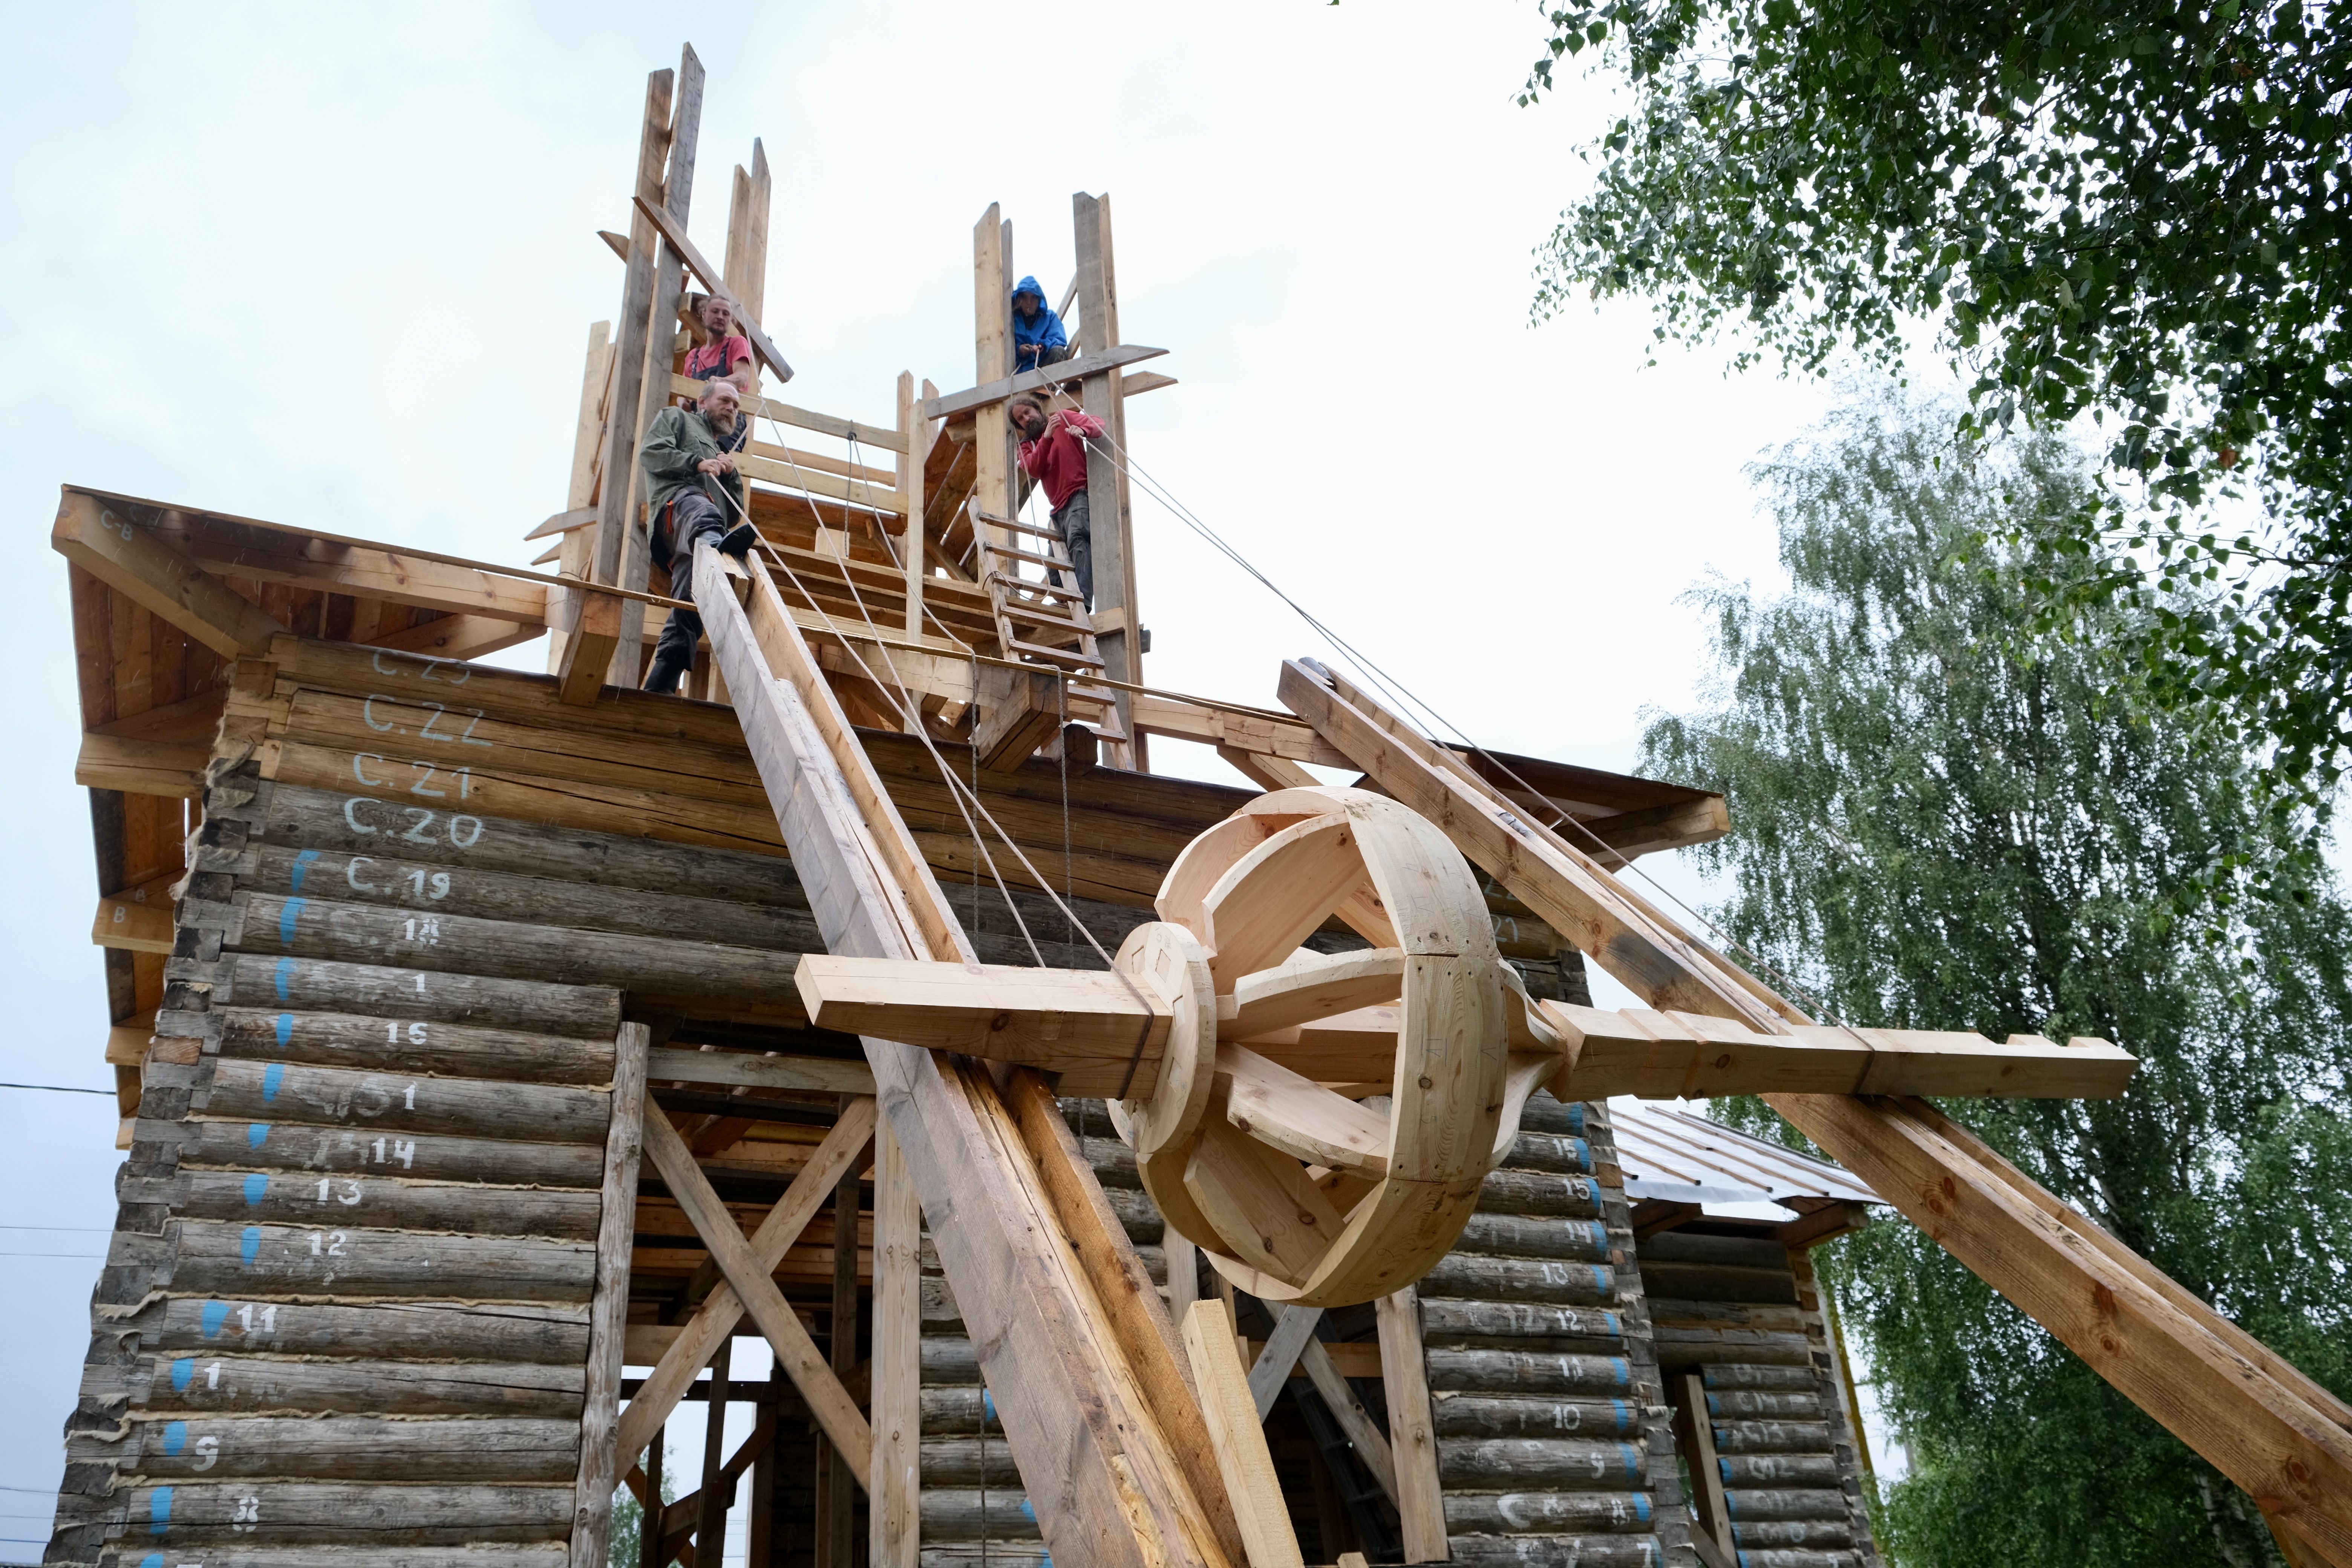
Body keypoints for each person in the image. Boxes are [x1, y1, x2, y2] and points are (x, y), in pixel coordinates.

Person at [638, 380, 759, 695]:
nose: (732, 408)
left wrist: (730, 475)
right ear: (703, 402)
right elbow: (652, 453)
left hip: (696, 534)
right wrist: (696, 462)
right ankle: (715, 549)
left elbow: (732, 513)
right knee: (702, 508)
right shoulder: (676, 419)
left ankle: (661, 682)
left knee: (692, 604)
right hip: (677, 510)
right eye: (725, 400)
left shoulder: (721, 451)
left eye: (736, 406)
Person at [1008, 394, 1104, 608]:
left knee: (1078, 540)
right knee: (1055, 565)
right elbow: (1033, 469)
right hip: (1057, 509)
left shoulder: (1062, 418)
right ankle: (1066, 604)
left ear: (1037, 409)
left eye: (1027, 412)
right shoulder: (1026, 446)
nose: (1026, 419)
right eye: (1021, 419)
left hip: (1078, 495)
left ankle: (1083, 602)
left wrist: (1083, 431)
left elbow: (1098, 423)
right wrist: (1047, 438)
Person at [683, 294, 758, 453]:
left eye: (726, 314)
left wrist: (719, 382)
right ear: (703, 314)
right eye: (715, 311)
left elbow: (742, 378)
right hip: (700, 420)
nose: (720, 317)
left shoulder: (736, 343)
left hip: (727, 420)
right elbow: (684, 390)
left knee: (719, 462)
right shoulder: (693, 357)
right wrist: (682, 401)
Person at [1010, 276, 1069, 374]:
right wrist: (1018, 350)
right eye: (1025, 297)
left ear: (1039, 299)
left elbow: (1059, 339)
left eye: (1033, 297)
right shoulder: (1010, 321)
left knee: (1059, 352)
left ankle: (1045, 388)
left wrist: (1043, 345)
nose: (1029, 302)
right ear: (1019, 299)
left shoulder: (1050, 318)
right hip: (1017, 376)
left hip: (1043, 370)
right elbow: (1000, 348)